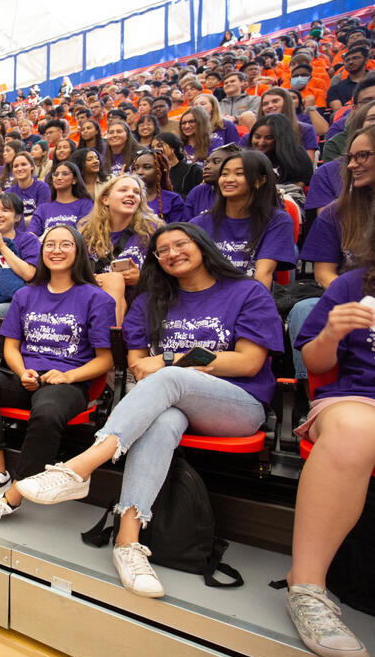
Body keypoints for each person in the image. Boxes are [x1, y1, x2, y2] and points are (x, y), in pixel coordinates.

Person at [17, 222, 283, 598]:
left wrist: (171, 358)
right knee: (163, 418)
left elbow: (248, 363)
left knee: (170, 378)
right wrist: (171, 364)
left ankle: (80, 468)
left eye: (181, 244)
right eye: (163, 250)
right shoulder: (150, 301)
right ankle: (128, 543)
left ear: (203, 245)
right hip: (173, 403)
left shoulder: (247, 292)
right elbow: (141, 366)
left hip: (236, 405)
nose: (173, 253)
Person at [0, 224, 114, 521]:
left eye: (65, 244)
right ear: (42, 253)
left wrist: (68, 376)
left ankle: (14, 496)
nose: (56, 250)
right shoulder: (26, 295)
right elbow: (11, 348)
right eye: (50, 245)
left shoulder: (97, 298)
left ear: (79, 250)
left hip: (69, 382)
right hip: (28, 377)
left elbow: (105, 361)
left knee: (46, 411)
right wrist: (22, 372)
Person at [286, 259, 375, 657]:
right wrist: (333, 331)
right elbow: (317, 363)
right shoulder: (354, 284)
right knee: (357, 430)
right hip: (357, 398)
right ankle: (306, 586)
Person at [191, 149, 296, 289]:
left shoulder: (277, 221)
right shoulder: (200, 224)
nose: (228, 179)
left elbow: (263, 274)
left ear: (260, 180)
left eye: (239, 173)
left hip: (251, 298)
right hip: (209, 299)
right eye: (224, 174)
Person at [79, 175, 162, 324]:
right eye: (123, 190)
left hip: (139, 301)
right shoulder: (86, 234)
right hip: (94, 298)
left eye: (136, 192)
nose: (131, 194)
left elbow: (171, 276)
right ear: (105, 199)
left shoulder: (154, 232)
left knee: (115, 281)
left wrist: (141, 278)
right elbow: (75, 272)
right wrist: (90, 279)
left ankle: (112, 341)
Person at [246, 114, 314, 188]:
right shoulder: (246, 159)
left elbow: (298, 188)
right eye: (257, 137)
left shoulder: (298, 157)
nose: (261, 142)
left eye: (269, 138)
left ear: (281, 139)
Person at [29, 161, 94, 235]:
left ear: (74, 180)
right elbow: (31, 235)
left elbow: (85, 233)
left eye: (65, 174)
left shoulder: (85, 204)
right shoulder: (43, 209)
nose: (59, 178)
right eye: (56, 175)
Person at [184, 143, 242, 219]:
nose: (207, 167)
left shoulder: (242, 194)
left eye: (216, 162)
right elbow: (186, 226)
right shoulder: (197, 192)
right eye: (207, 163)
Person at [132, 150, 188, 223]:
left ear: (160, 171)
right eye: (135, 168)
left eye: (147, 167)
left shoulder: (173, 199)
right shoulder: (126, 197)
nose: (139, 172)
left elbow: (176, 229)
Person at [151, 132, 203, 197]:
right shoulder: (154, 173)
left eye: (159, 146)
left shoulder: (193, 170)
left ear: (173, 148)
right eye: (152, 148)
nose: (155, 150)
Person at [4, 152, 51, 218]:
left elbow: (42, 214)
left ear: (32, 167)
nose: (19, 169)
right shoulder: (8, 193)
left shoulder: (42, 188)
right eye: (16, 166)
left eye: (23, 164)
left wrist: (21, 222)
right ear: (12, 170)